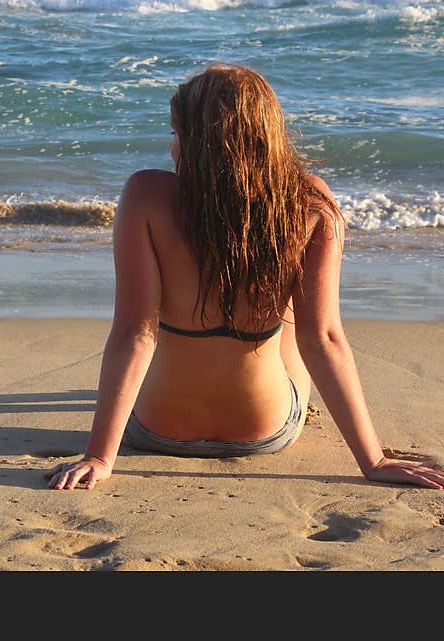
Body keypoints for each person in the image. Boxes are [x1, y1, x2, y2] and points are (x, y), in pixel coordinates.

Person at [44, 63, 444, 491]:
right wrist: (374, 460)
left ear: (199, 141)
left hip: (156, 430)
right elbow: (323, 339)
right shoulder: (308, 202)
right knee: (291, 314)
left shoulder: (145, 195)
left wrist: (100, 455)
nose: (172, 147)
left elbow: (135, 333)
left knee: (174, 324)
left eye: (178, 135)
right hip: (265, 433)